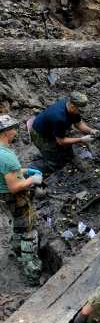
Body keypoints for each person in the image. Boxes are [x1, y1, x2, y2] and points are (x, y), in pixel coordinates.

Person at [0, 115, 43, 286]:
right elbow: (15, 186)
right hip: (14, 197)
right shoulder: (6, 156)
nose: (16, 132)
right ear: (6, 132)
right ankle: (31, 272)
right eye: (13, 129)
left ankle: (16, 249)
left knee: (18, 224)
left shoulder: (3, 152)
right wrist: (33, 180)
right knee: (28, 231)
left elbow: (8, 173)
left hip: (4, 196)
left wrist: (24, 171)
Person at [30, 91, 98, 173]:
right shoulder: (59, 117)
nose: (80, 112)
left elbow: (79, 124)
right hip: (40, 135)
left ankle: (51, 154)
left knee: (66, 152)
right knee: (55, 164)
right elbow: (61, 141)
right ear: (72, 106)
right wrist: (81, 140)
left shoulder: (71, 104)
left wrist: (91, 130)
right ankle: (33, 168)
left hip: (52, 129)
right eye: (79, 110)